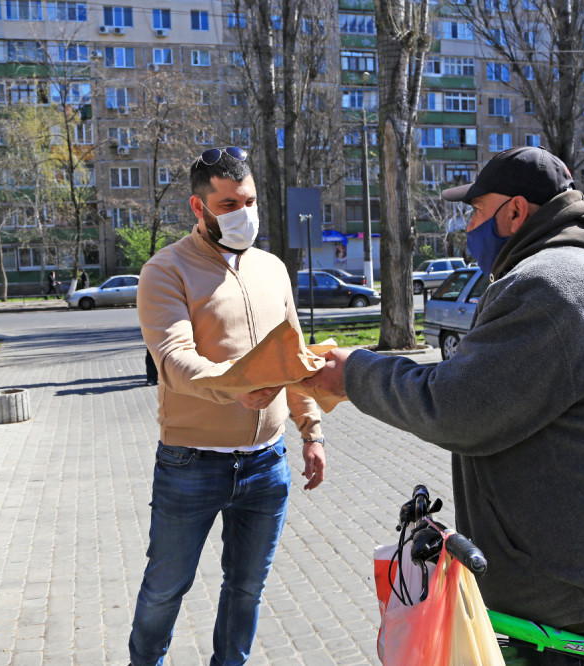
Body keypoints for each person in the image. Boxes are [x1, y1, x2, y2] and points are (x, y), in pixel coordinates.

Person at [304, 147, 584, 663]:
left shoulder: (549, 285)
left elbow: (457, 407)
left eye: (476, 211)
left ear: (516, 212)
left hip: (569, 583)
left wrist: (354, 373)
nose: (468, 226)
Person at [130, 147, 327, 666]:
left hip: (267, 463)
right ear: (199, 207)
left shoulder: (272, 269)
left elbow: (294, 357)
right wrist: (233, 387)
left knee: (246, 589)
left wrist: (312, 431)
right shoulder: (165, 270)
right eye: (228, 203)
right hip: (191, 464)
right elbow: (173, 361)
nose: (244, 213)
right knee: (165, 589)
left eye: (250, 200)